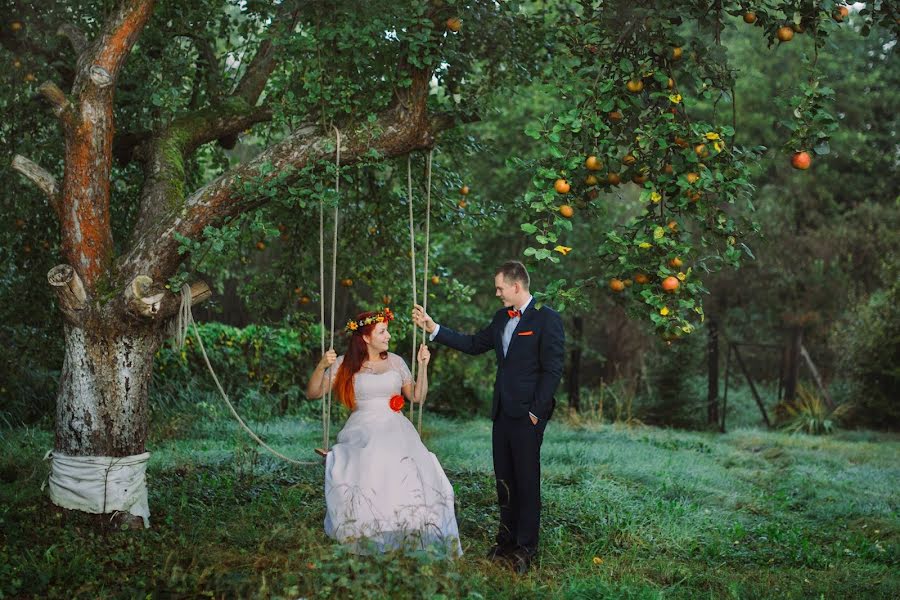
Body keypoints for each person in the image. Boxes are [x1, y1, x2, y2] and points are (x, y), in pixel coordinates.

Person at [412, 260, 564, 574]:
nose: (497, 293)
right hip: (501, 414)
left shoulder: (547, 319)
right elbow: (473, 344)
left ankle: (525, 548)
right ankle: (505, 541)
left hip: (528, 416)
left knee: (526, 481)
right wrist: (434, 329)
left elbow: (552, 370)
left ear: (516, 286)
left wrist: (536, 412)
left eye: (499, 288)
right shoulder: (500, 318)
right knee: (504, 480)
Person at [306, 307, 462, 556]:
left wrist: (423, 366)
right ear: (366, 337)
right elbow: (313, 393)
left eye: (386, 331)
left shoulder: (397, 362)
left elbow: (417, 397)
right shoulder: (346, 364)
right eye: (382, 332)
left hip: (396, 425)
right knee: (371, 457)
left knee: (406, 465)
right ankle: (369, 529)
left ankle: (408, 526)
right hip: (362, 426)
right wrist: (323, 365)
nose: (388, 336)